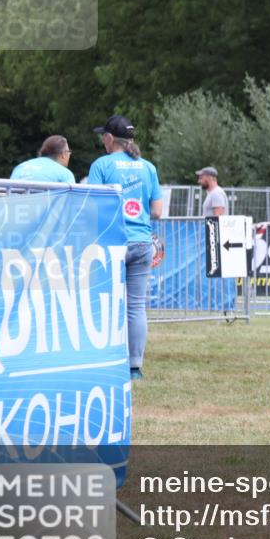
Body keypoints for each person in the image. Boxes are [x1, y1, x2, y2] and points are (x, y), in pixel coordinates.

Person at [88, 115, 163, 381]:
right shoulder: (148, 167)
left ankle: (103, 360)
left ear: (109, 139)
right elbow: (157, 211)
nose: (102, 141)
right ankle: (134, 368)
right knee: (136, 307)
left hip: (112, 242)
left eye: (102, 137)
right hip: (142, 242)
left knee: (105, 302)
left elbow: (93, 206)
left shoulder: (101, 165)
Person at [10, 135, 76, 184]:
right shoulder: (65, 174)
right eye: (68, 151)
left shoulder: (19, 167)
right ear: (63, 154)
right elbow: (71, 201)